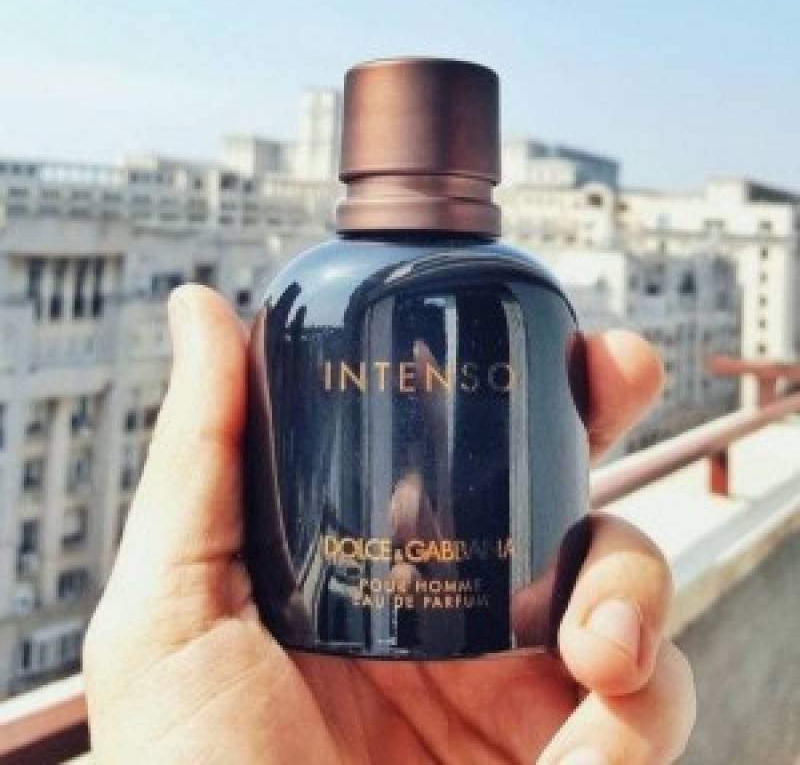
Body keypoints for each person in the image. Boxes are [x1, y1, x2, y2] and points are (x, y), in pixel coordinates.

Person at [83, 285, 696, 764]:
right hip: (279, 681)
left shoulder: (321, 293)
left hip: (484, 684)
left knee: (607, 637)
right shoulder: (313, 297)